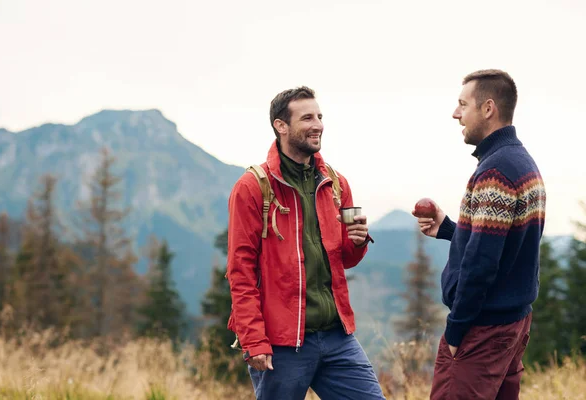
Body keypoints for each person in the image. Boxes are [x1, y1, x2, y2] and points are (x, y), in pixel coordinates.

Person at [226, 86, 385, 400]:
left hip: (338, 337)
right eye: (307, 118)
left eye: (320, 117)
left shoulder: (335, 183)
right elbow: (240, 272)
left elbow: (345, 260)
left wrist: (357, 241)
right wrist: (254, 339)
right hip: (283, 344)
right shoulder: (253, 187)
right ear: (281, 126)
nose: (318, 125)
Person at [413, 69, 546, 400]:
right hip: (513, 324)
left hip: (481, 331)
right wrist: (448, 229)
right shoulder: (523, 163)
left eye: (462, 104)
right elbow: (505, 244)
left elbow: (482, 263)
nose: (456, 113)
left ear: (488, 108)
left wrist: (457, 330)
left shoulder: (495, 172)